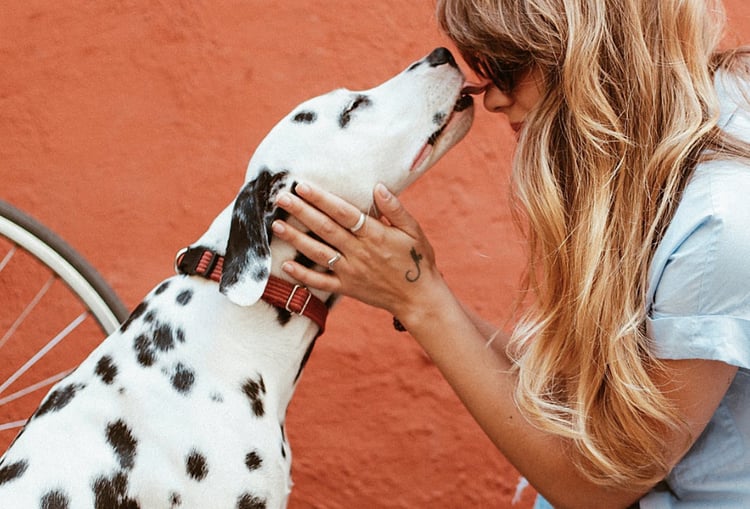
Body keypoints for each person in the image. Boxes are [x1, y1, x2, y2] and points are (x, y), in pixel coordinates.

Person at [270, 0, 750, 507]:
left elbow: (599, 486)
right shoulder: (652, 146)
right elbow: (572, 402)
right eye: (484, 66)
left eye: (507, 65)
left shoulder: (718, 223)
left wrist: (420, 301)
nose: (490, 98)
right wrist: (414, 285)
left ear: (592, 52)